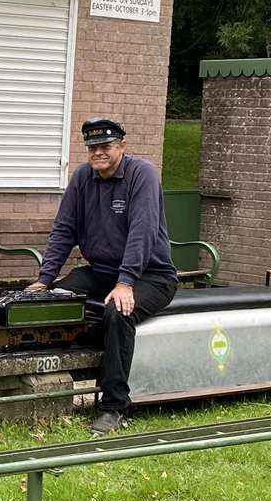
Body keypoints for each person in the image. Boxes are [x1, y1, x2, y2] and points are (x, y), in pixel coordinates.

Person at [26, 118, 179, 435]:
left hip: (151, 275)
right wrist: (45, 280)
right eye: (92, 148)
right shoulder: (82, 177)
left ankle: (113, 407)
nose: (98, 153)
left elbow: (142, 232)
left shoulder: (142, 175)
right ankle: (46, 386)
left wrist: (125, 283)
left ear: (122, 146)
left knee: (118, 311)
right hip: (102, 272)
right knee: (55, 300)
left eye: (105, 146)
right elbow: (64, 229)